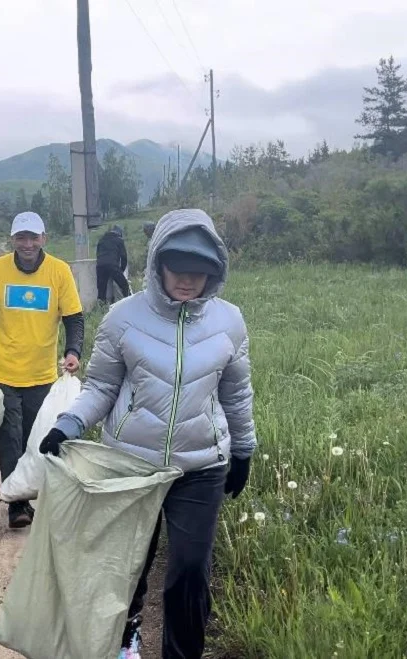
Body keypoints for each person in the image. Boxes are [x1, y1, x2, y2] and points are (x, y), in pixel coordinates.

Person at [38, 208, 257, 659]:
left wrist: (243, 450)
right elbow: (100, 386)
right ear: (158, 261)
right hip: (130, 464)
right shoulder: (123, 317)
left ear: (214, 272)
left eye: (200, 272)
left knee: (191, 572)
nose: (187, 280)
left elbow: (236, 392)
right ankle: (127, 636)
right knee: (127, 567)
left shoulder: (229, 321)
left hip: (200, 468)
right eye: (178, 268)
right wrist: (69, 424)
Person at [0, 211, 85, 528]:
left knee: (37, 439)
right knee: (11, 438)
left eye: (33, 237)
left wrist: (73, 351)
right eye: (21, 237)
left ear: (44, 239)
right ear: (12, 239)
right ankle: (18, 505)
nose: (27, 244)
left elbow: (74, 318)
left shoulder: (59, 271)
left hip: (42, 375)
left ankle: (43, 493)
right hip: (3, 374)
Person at [95, 224, 132, 304]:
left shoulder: (101, 240)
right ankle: (130, 303)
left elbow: (97, 253)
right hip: (112, 265)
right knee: (124, 285)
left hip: (100, 266)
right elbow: (124, 257)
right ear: (119, 233)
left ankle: (102, 308)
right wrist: (121, 269)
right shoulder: (119, 240)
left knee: (102, 290)